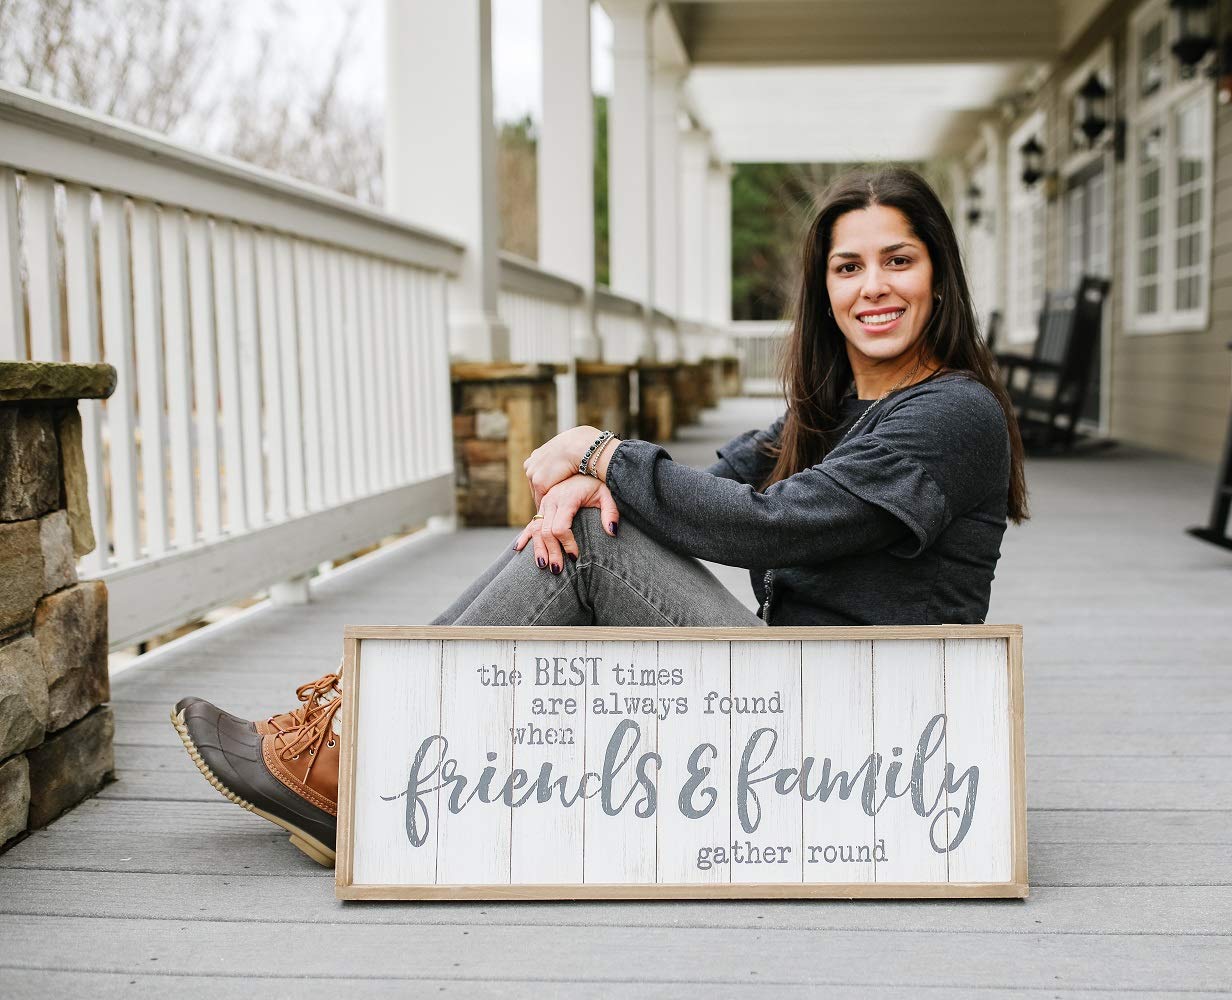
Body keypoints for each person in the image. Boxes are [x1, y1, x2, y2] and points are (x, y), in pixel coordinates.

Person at [170, 165, 1030, 867]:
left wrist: (601, 456)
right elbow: (720, 479)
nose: (873, 287)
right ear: (824, 287)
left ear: (938, 276)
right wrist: (601, 479)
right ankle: (357, 732)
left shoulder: (952, 416)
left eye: (899, 261)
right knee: (594, 519)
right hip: (807, 687)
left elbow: (768, 525)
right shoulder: (840, 402)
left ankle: (355, 757)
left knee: (589, 542)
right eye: (849, 267)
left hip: (873, 734)